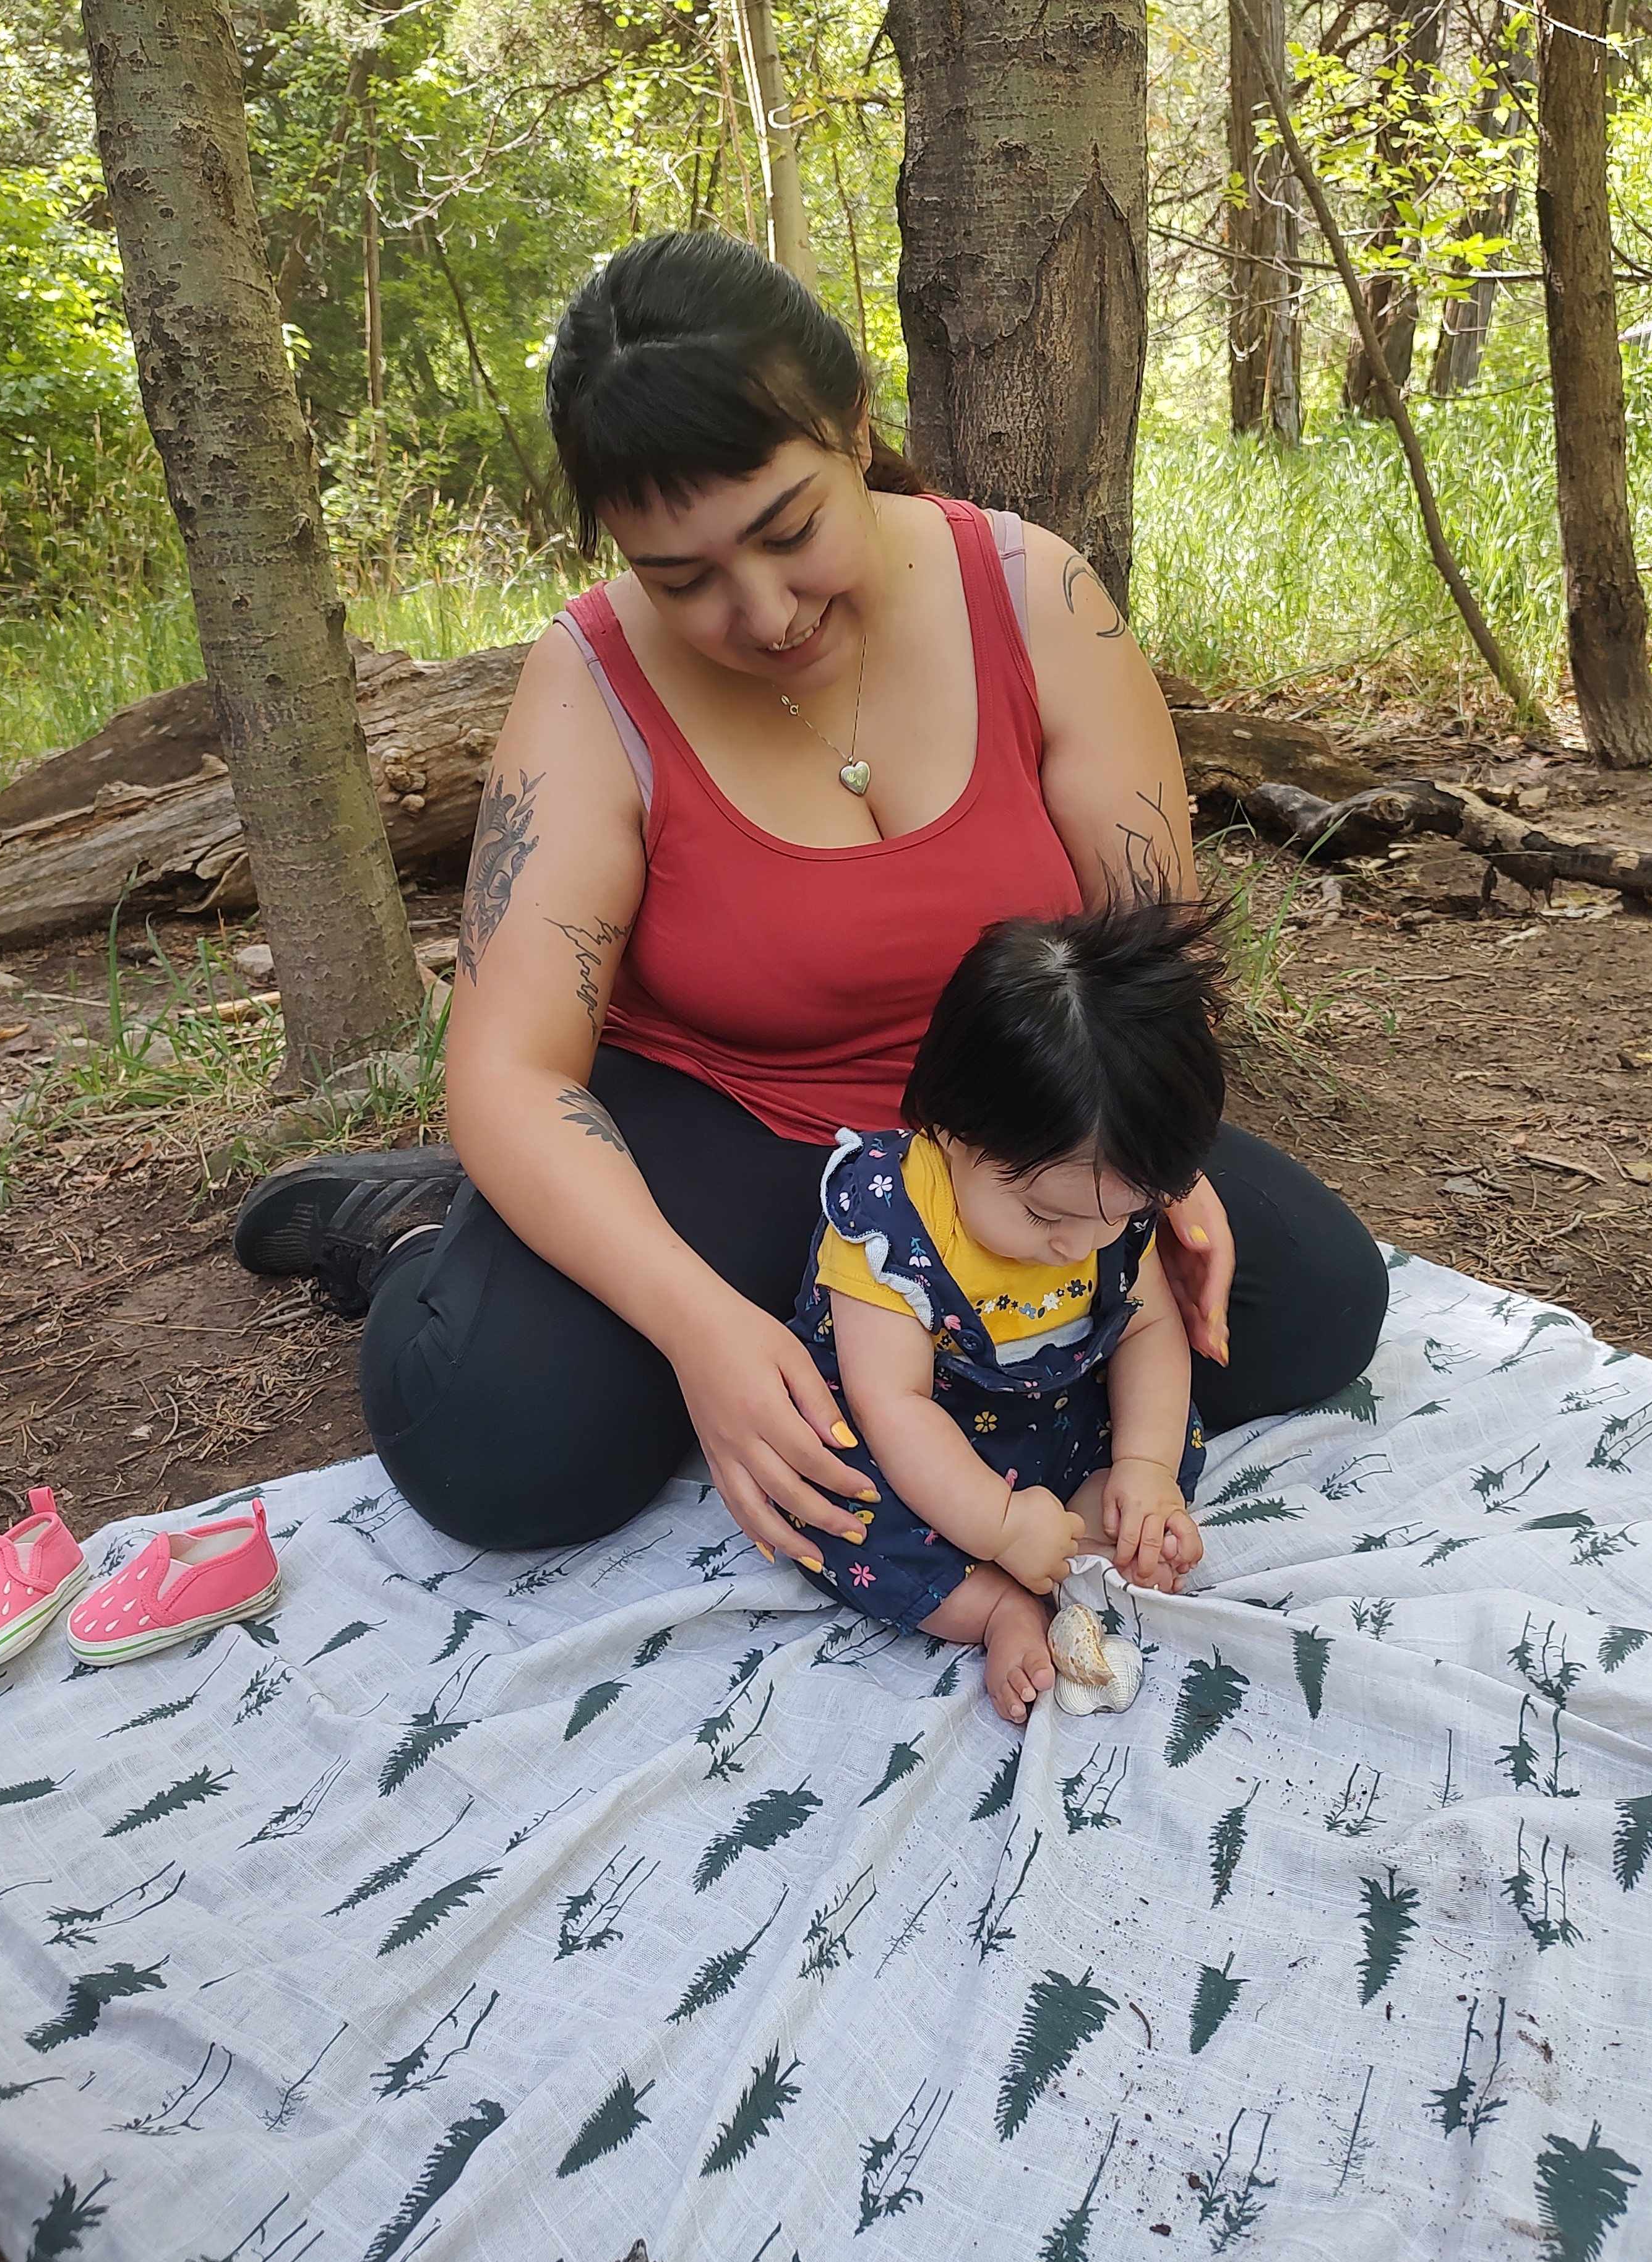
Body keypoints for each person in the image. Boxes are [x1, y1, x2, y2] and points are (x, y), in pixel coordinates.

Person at [234, 231, 1388, 1572]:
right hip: (725, 1118)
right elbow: (506, 1066)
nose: (765, 609)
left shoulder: (1040, 595)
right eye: (686, 580)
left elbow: (1147, 949)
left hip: (1014, 1114)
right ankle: (417, 1231)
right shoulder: (587, 683)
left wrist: (1167, 1155)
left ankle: (866, 1333)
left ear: (854, 428)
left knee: (1302, 1311)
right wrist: (699, 1327)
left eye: (790, 532)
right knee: (500, 1446)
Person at [786, 894, 1221, 1724]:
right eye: (1046, 1218)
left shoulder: (1099, 1208)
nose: (1080, 1245)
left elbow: (1152, 1327)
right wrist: (994, 1526)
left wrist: (1144, 1470)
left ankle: (1095, 1526)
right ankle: (997, 1604)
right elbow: (893, 1404)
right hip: (922, 1445)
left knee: (1160, 1431)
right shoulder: (890, 1220)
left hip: (1054, 1413)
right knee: (836, 1505)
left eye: (1121, 1216)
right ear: (950, 1132)